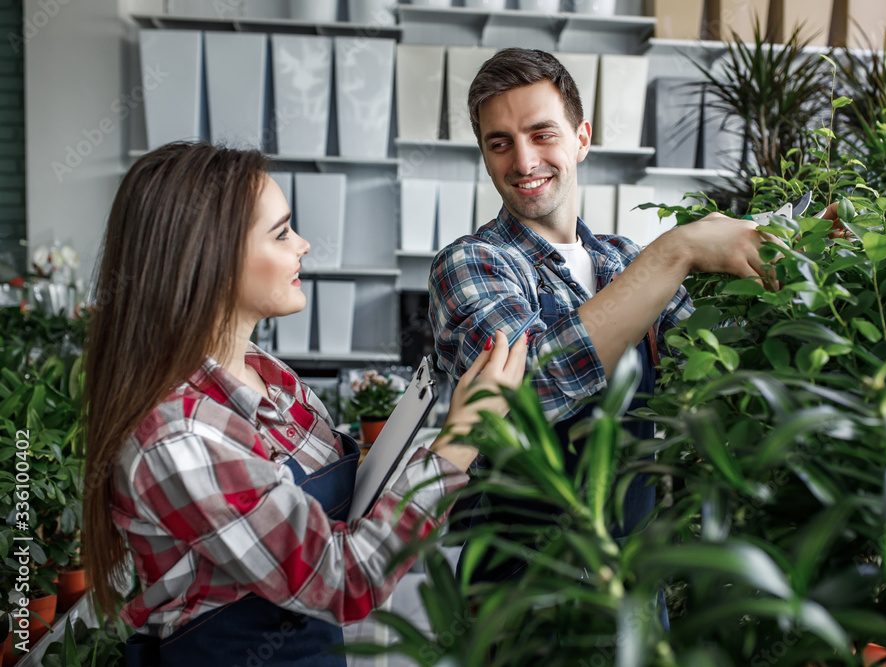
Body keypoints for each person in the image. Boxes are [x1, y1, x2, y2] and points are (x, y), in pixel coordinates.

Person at [81, 142, 527, 666]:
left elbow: (343, 514)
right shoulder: (180, 437)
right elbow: (345, 580)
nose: (305, 245)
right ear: (209, 258)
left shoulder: (270, 376)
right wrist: (463, 436)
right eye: (281, 232)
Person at [428, 48, 837, 583]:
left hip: (633, 577)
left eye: (542, 134)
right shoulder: (471, 264)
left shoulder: (621, 260)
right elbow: (528, 391)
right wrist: (677, 250)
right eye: (499, 143)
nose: (523, 162)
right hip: (522, 586)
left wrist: (812, 277)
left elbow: (712, 366)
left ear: (582, 137)